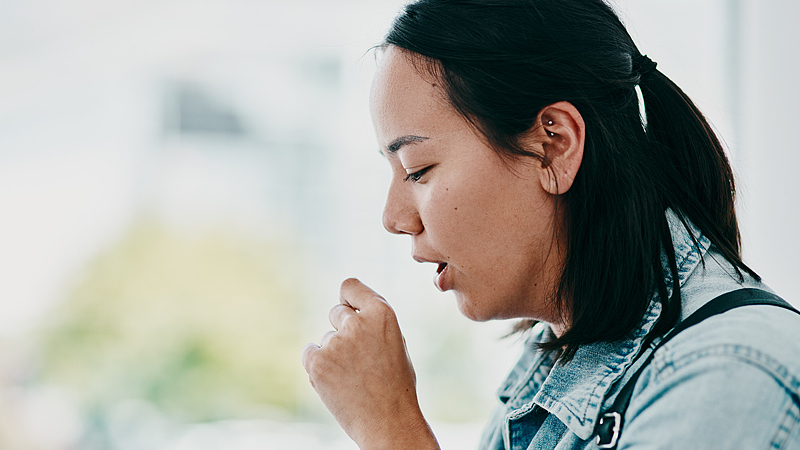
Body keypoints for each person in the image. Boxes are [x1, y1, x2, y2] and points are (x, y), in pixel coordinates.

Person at [301, 0, 800, 448]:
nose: (394, 219)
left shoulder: (729, 376)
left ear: (553, 147)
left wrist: (390, 429)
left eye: (418, 170)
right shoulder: (551, 365)